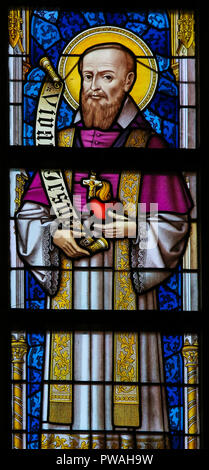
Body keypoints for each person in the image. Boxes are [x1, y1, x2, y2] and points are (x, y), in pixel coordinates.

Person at [14, 42, 193, 446]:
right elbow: (28, 216)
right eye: (88, 76)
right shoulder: (57, 146)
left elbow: (174, 224)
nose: (94, 87)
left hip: (127, 295)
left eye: (107, 77)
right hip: (70, 298)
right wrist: (52, 235)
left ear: (130, 81)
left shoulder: (151, 149)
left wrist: (134, 227)